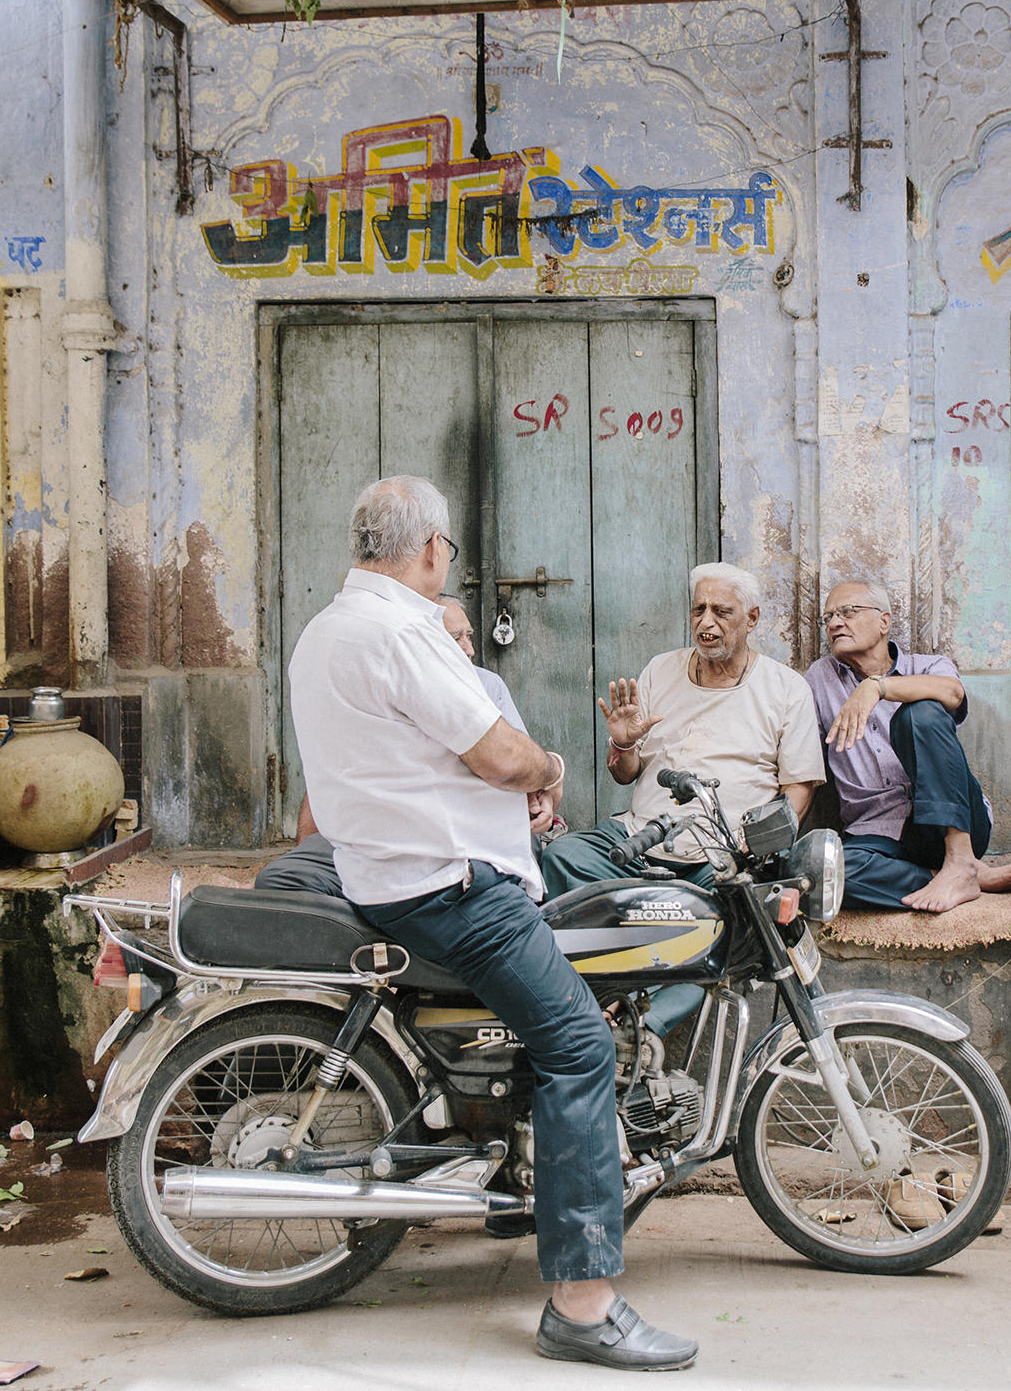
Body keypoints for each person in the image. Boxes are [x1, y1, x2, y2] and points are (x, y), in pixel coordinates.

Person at [288, 474, 695, 1371]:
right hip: (452, 891)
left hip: (388, 877)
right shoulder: (406, 633)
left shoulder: (324, 631)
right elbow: (502, 755)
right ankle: (583, 1306)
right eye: (448, 551)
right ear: (432, 548)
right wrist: (549, 761)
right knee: (582, 1046)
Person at [538, 561, 825, 896]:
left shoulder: (787, 688)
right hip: (642, 839)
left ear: (751, 619)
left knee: (734, 898)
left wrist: (760, 840)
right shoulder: (660, 670)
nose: (706, 622)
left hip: (723, 851)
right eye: (699, 609)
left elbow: (799, 787)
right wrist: (623, 744)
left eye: (721, 611)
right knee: (562, 857)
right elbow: (624, 775)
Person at [261, 593, 550, 896]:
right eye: (456, 639)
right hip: (384, 835)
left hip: (464, 835)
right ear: (428, 644)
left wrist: (548, 781)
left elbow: (524, 773)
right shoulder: (385, 680)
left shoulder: (487, 685)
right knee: (282, 880)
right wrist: (310, 845)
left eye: (469, 636)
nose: (469, 649)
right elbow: (336, 772)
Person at [804, 579, 1011, 911]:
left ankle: (959, 857)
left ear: (884, 621)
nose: (835, 623)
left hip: (952, 823)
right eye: (828, 618)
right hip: (876, 832)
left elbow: (953, 694)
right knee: (828, 875)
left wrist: (876, 688)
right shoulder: (820, 678)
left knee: (921, 712)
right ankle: (957, 875)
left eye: (848, 612)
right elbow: (802, 751)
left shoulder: (927, 665)